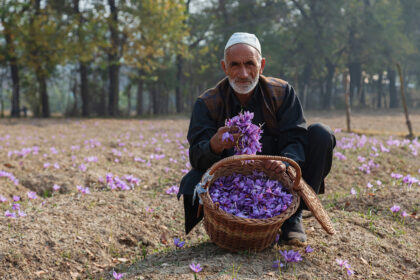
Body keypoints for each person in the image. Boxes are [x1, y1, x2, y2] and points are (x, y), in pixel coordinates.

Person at [178, 32, 336, 244]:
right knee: (196, 179)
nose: (243, 73)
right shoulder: (208, 102)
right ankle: (232, 221)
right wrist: (214, 146)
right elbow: (196, 156)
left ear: (261, 65)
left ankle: (292, 217)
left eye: (249, 64)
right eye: (234, 65)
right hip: (233, 176)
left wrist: (285, 162)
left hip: (277, 171)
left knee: (321, 134)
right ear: (224, 67)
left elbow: (296, 138)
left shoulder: (281, 92)